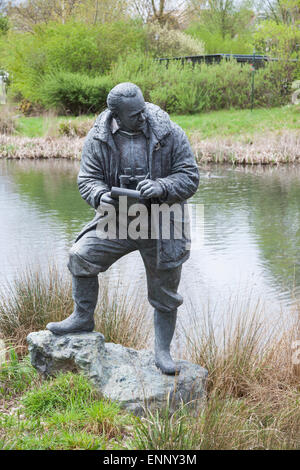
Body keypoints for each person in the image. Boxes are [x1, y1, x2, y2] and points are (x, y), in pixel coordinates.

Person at [46, 82, 199, 375]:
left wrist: (161, 186)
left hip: (162, 220)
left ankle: (163, 352)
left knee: (165, 292)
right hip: (118, 218)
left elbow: (190, 177)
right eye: (134, 114)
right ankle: (82, 317)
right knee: (80, 255)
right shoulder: (98, 138)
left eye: (143, 110)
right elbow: (88, 179)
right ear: (115, 114)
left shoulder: (170, 133)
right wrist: (99, 195)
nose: (142, 117)